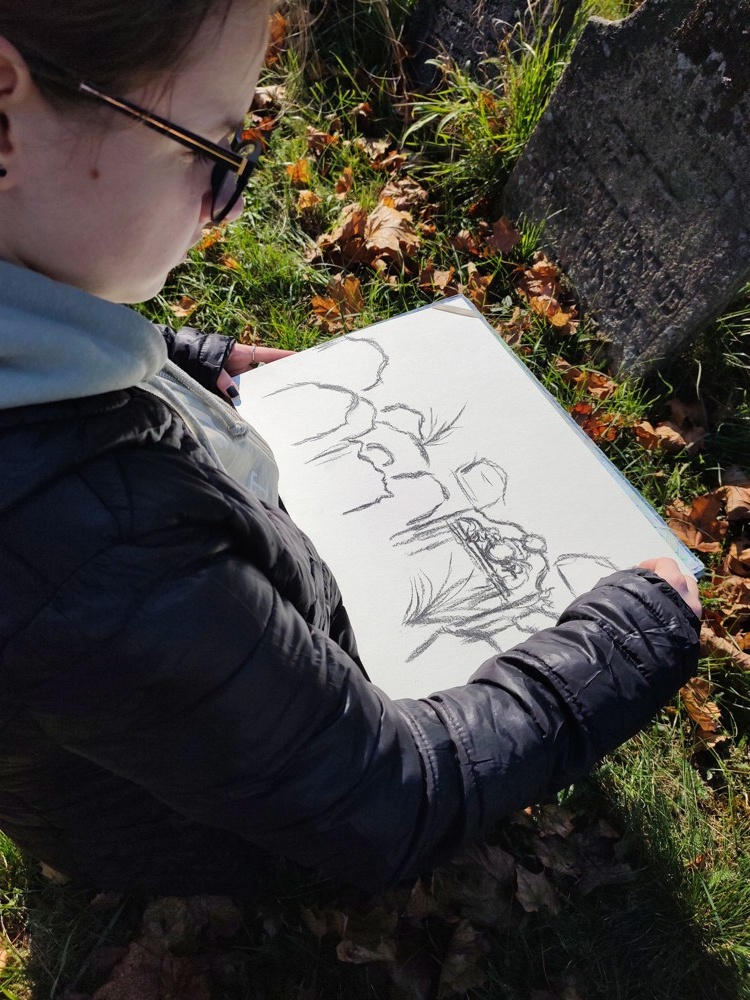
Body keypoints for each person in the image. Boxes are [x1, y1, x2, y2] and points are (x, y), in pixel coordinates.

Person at [0, 0, 701, 896]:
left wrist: (180, 359)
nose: (225, 208)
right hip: (189, 831)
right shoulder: (98, 560)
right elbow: (386, 798)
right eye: (209, 152)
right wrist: (620, 645)